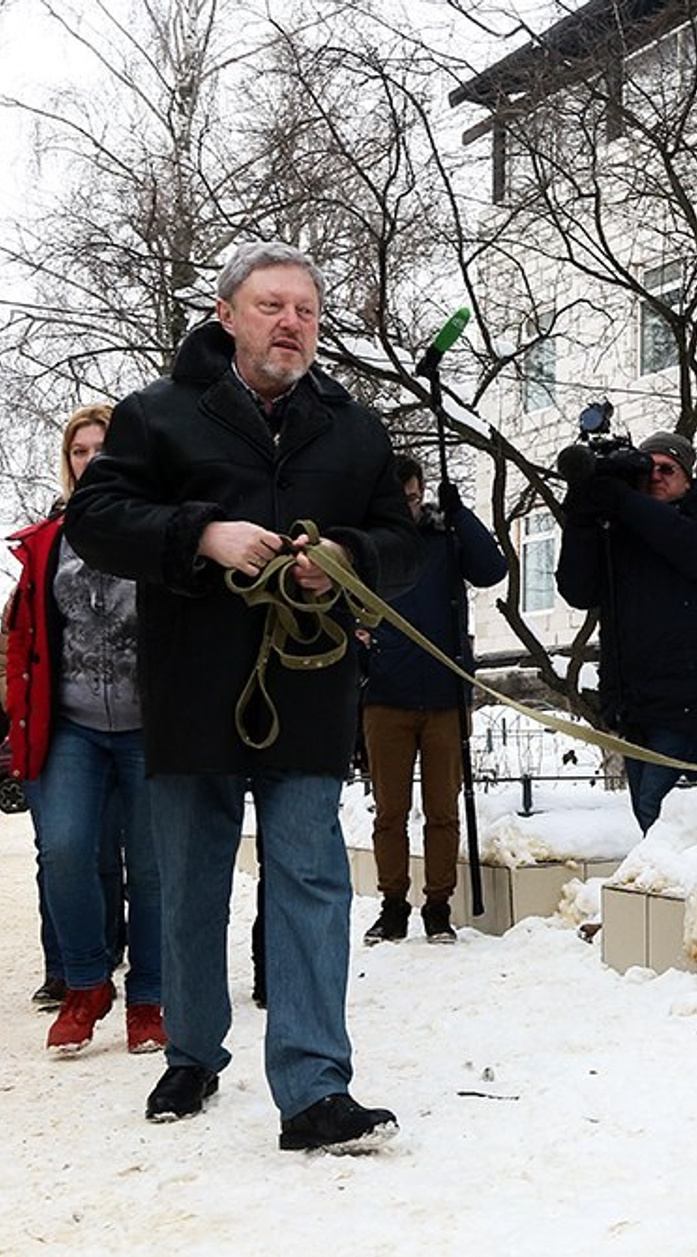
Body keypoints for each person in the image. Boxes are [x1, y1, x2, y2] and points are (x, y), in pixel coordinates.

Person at [64, 241, 423, 1154]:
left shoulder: (356, 429)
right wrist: (203, 535)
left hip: (308, 688)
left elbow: (401, 535)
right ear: (227, 315)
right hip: (189, 692)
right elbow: (96, 522)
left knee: (310, 876)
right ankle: (191, 1049)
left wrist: (346, 559)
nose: (292, 323)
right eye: (271, 306)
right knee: (189, 882)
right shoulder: (155, 417)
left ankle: (312, 1093)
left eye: (305, 308)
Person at [5, 403, 163, 1053]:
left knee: (153, 867)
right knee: (65, 850)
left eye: (103, 448)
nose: (90, 459)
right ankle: (86, 982)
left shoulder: (155, 531)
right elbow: (23, 639)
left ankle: (150, 998)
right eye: (78, 451)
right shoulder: (46, 542)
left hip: (149, 725)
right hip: (71, 724)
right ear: (67, 464)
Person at [555, 429, 697, 832]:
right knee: (647, 812)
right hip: (634, 701)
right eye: (646, 469)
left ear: (688, 477)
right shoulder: (622, 531)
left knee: (663, 813)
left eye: (667, 469)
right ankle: (668, 888)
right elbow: (577, 589)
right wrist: (583, 516)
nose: (655, 476)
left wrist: (624, 499)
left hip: (685, 702)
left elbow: (694, 551)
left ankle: (678, 888)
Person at [361, 453, 507, 946]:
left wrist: (460, 514)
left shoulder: (445, 539)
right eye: (400, 498)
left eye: (415, 496)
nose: (410, 507)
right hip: (385, 693)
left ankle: (438, 906)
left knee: (443, 809)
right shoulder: (370, 543)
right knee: (390, 810)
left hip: (445, 694)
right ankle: (393, 904)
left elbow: (491, 570)